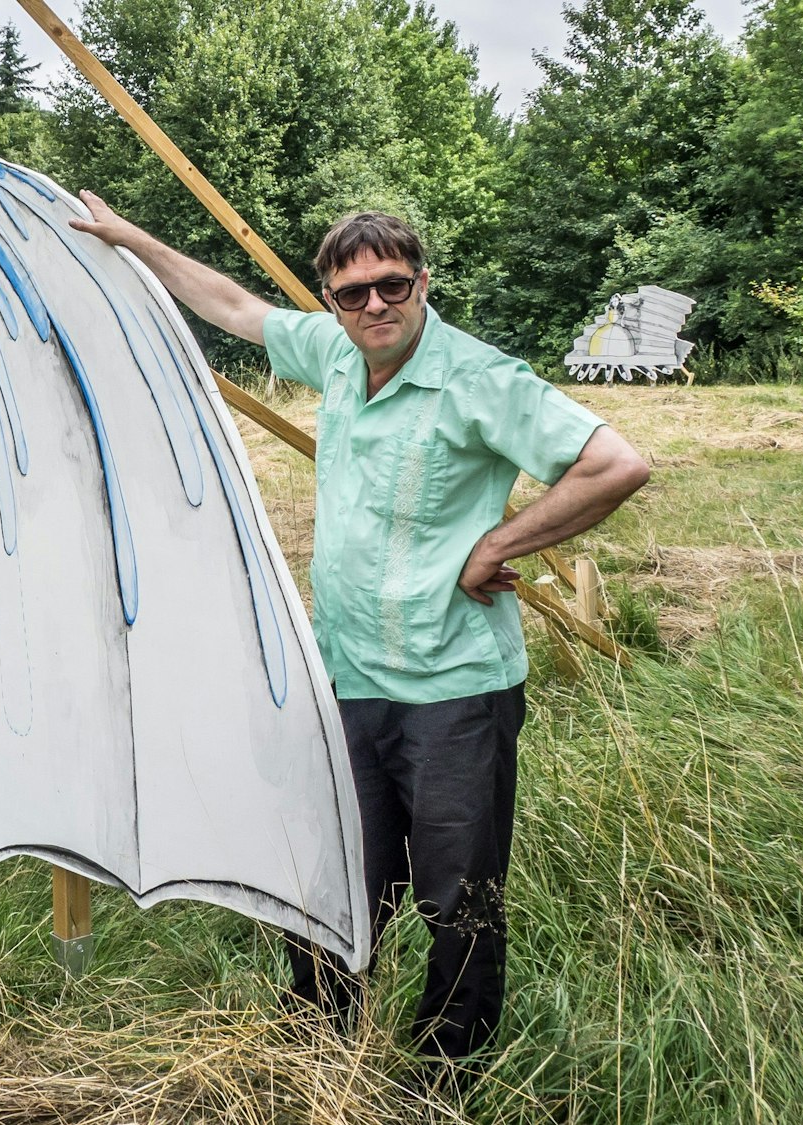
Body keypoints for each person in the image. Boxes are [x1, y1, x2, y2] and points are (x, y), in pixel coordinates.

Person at [69, 199, 650, 1061]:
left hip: (455, 688)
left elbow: (617, 463)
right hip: (347, 682)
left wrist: (500, 541)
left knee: (459, 895)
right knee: (335, 877)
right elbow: (234, 306)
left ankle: (445, 1070)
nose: (374, 306)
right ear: (335, 302)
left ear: (422, 281)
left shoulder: (479, 379)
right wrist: (129, 237)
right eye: (352, 294)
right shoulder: (337, 355)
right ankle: (316, 1046)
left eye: (391, 285)